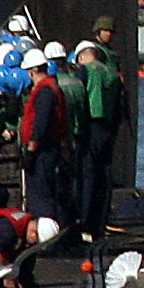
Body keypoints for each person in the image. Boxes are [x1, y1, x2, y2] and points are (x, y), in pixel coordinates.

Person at [74, 39, 124, 239]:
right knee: (104, 175)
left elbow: (78, 97)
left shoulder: (86, 71)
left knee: (87, 175)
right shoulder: (111, 73)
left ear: (83, 56)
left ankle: (85, 224)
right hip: (108, 127)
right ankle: (100, 223)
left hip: (90, 125)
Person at [19, 46, 67, 221]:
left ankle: (45, 228)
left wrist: (31, 149)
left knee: (40, 193)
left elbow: (41, 122)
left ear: (32, 71)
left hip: (43, 151)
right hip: (48, 148)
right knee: (47, 191)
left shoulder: (45, 91)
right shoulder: (51, 87)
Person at [47, 40, 89, 223]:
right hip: (79, 139)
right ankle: (76, 221)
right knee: (74, 183)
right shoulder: (78, 83)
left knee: (56, 186)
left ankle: (59, 223)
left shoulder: (54, 86)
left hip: (60, 141)